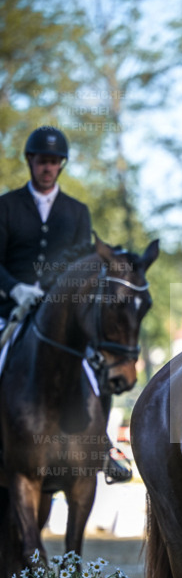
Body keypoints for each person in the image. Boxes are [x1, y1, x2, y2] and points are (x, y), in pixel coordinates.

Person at [0, 125, 132, 482]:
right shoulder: (7, 206)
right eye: (42, 161)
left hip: (58, 314)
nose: (47, 168)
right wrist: (15, 290)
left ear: (61, 166)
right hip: (11, 308)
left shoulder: (76, 212)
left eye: (54, 162)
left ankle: (101, 447)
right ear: (31, 161)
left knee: (97, 366)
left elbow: (84, 265)